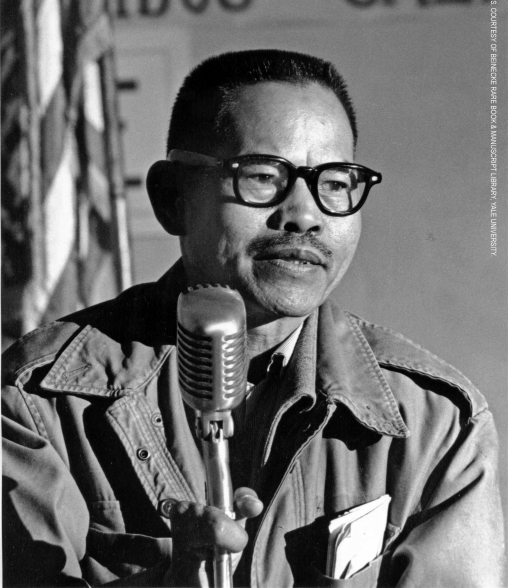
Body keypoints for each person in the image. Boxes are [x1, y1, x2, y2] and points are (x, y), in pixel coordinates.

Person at [2, 49, 505, 588]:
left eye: (335, 183)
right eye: (263, 176)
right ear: (171, 198)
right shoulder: (42, 403)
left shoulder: (432, 422)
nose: (305, 216)